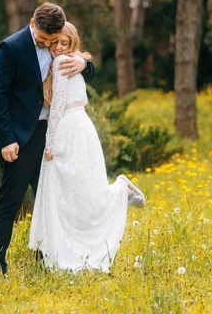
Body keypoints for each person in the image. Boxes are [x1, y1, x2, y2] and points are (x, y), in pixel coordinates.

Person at [28, 22, 145, 273]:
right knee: (78, 190)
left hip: (67, 130)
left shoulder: (62, 64)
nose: (59, 48)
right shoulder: (74, 61)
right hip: (82, 127)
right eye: (56, 42)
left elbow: (58, 106)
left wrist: (50, 144)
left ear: (72, 44)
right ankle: (118, 194)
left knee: (67, 191)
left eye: (65, 43)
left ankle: (64, 247)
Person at [0, 3, 95, 275]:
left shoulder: (60, 47)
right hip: (22, 137)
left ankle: (46, 259)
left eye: (54, 40)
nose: (50, 45)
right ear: (32, 23)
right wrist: (6, 139)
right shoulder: (11, 47)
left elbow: (87, 67)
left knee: (50, 199)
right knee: (10, 200)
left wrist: (84, 63)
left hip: (54, 135)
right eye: (44, 40)